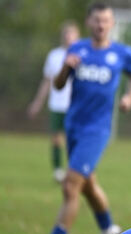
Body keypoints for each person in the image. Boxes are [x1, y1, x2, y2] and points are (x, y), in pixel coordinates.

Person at [27, 1, 131, 234]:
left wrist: (129, 96)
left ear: (112, 23)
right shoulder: (77, 48)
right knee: (87, 182)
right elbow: (57, 85)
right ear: (88, 23)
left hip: (97, 130)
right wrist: (66, 67)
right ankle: (108, 229)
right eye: (96, 20)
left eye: (106, 20)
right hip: (74, 127)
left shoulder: (122, 53)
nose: (101, 25)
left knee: (70, 185)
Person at [26, 21, 80, 183]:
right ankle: (58, 171)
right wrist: (37, 102)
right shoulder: (54, 55)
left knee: (73, 140)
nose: (68, 36)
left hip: (75, 105)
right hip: (57, 103)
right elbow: (47, 81)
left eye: (72, 33)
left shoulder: (82, 55)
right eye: (66, 33)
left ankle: (74, 171)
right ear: (62, 36)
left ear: (77, 36)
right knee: (56, 138)